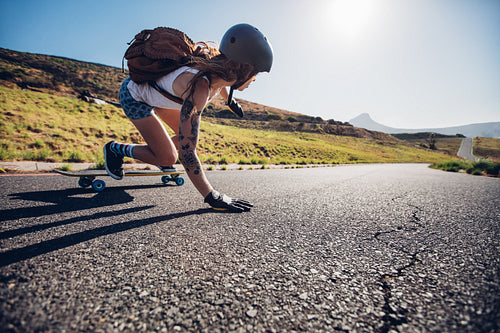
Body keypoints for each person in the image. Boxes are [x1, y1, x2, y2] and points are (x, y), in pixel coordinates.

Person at [103, 24, 273, 212]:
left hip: (160, 95)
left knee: (182, 138)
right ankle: (115, 149)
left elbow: (222, 86)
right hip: (134, 96)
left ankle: (158, 149)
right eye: (255, 74)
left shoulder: (219, 72)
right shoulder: (199, 87)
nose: (255, 79)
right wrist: (212, 195)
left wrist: (230, 102)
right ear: (244, 70)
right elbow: (188, 152)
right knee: (169, 156)